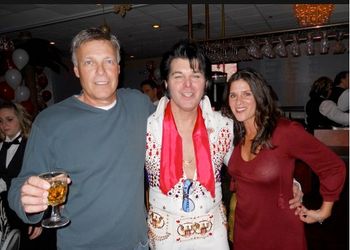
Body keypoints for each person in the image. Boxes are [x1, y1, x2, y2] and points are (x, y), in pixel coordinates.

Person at [144, 41, 303, 250]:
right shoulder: (146, 126)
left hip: (213, 234)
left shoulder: (223, 126)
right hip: (164, 235)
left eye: (196, 76)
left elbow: (251, 162)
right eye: (178, 76)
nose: (188, 85)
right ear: (165, 83)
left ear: (206, 82)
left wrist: (289, 181)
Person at [8, 28, 155, 249]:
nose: (101, 72)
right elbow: (20, 184)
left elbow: (177, 125)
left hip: (137, 243)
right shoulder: (50, 122)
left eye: (108, 61)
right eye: (89, 63)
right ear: (77, 70)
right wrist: (25, 200)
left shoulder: (138, 104)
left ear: (118, 67)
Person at [223, 68, 346, 250]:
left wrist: (323, 211)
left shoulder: (284, 131)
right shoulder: (234, 133)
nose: (238, 101)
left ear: (259, 96)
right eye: (233, 95)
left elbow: (332, 166)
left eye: (246, 94)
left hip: (279, 230)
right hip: (245, 228)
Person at [0, 101, 43, 249]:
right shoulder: (0, 146)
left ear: (20, 118)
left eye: (9, 119)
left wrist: (37, 218)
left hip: (25, 208)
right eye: (0, 121)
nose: (4, 124)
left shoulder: (32, 145)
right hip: (5, 212)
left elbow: (40, 179)